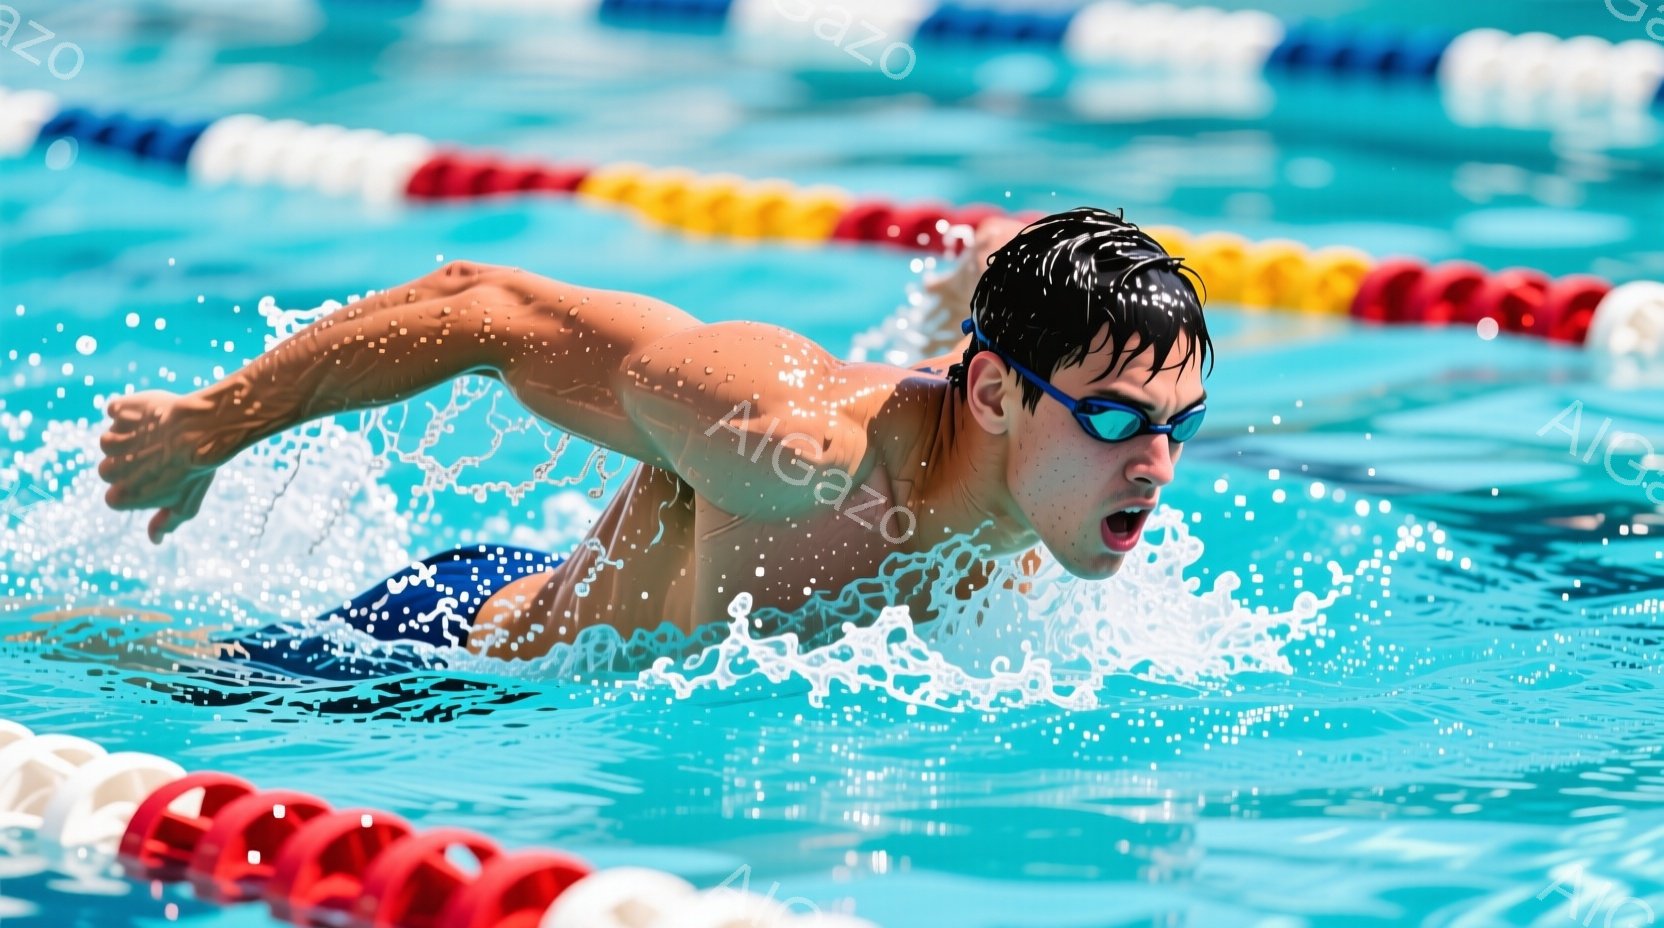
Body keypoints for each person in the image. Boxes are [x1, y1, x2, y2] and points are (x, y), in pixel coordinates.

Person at [95, 207, 1212, 671]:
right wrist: (208, 427)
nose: (1155, 467)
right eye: (1116, 417)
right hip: (439, 657)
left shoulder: (1065, 477)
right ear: (987, 396)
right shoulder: (787, 447)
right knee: (132, 664)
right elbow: (489, 305)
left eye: (1178, 425)